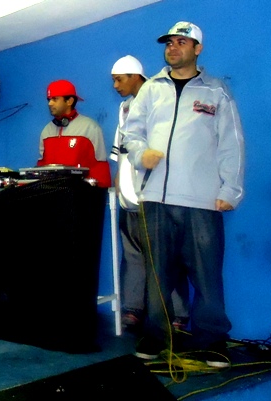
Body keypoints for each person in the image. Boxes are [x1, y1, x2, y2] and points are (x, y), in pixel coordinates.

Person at [122, 21, 245, 368]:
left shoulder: (217, 92)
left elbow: (232, 143)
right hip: (155, 199)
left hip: (201, 200)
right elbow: (132, 133)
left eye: (181, 42)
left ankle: (212, 340)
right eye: (169, 43)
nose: (173, 48)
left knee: (207, 275)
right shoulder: (151, 90)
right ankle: (156, 335)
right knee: (157, 274)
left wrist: (231, 189)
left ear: (197, 49)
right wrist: (140, 153)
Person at [108, 55, 191, 336]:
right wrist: (119, 182)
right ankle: (134, 309)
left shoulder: (159, 100)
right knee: (133, 256)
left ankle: (177, 314)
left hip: (156, 198)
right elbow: (121, 151)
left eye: (119, 80)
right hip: (129, 199)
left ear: (135, 76)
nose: (116, 86)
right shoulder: (124, 109)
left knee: (167, 257)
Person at [36, 79, 112, 188]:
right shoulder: (46, 131)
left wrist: (99, 192)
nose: (50, 103)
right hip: (52, 194)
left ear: (69, 101)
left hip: (81, 194)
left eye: (55, 99)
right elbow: (42, 167)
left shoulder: (90, 127)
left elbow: (99, 166)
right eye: (49, 99)